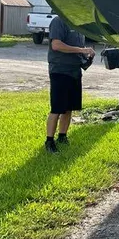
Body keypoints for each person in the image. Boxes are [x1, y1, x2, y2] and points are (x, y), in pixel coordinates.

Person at [45, 15, 95, 152]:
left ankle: (62, 136)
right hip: (60, 70)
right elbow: (56, 45)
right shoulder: (59, 21)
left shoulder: (78, 25)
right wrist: (81, 50)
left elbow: (77, 49)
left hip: (75, 71)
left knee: (69, 108)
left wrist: (87, 56)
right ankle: (49, 141)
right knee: (57, 108)